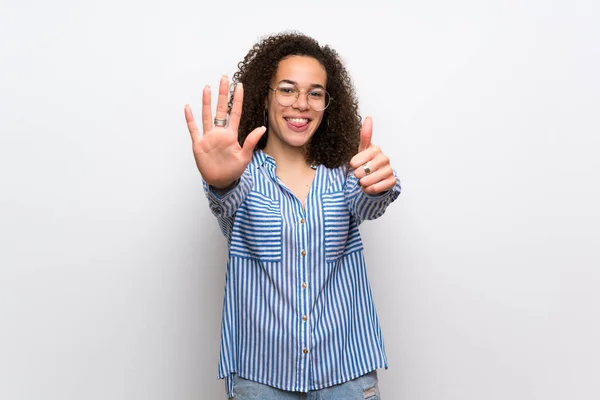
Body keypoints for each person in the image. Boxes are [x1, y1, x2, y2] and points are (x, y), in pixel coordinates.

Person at [184, 32, 401, 399]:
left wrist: (378, 185)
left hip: (345, 373)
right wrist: (220, 183)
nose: (301, 103)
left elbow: (369, 202)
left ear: (327, 104)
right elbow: (225, 203)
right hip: (261, 376)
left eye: (315, 93)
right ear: (264, 96)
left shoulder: (344, 173)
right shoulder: (242, 178)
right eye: (287, 89)